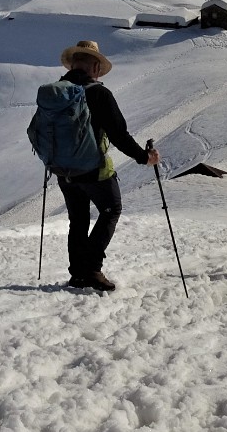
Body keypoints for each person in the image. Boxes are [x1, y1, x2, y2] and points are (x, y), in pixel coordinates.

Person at [55, 40, 159, 291]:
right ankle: (91, 270)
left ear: (72, 65)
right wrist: (145, 157)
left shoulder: (57, 93)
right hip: (94, 170)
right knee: (111, 210)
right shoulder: (99, 93)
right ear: (96, 67)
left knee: (77, 220)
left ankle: (78, 274)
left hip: (63, 170)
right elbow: (119, 135)